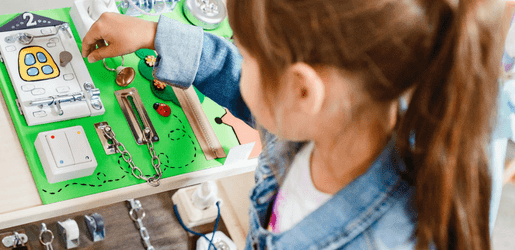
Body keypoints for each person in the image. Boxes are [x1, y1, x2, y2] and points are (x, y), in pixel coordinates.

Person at [81, 0, 502, 249]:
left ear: (303, 90)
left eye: (246, 52)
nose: (240, 64)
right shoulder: (341, 117)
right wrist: (157, 34)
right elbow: (249, 88)